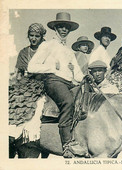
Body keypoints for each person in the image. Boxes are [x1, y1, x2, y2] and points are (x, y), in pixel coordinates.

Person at [27, 12, 87, 158]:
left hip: (69, 83)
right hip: (53, 81)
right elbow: (31, 67)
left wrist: (86, 77)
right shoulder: (47, 45)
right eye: (61, 26)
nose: (64, 30)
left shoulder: (69, 51)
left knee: (87, 102)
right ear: (56, 28)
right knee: (68, 101)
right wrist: (51, 67)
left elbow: (78, 74)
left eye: (66, 27)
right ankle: (67, 144)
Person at [9, 23, 46, 140]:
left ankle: (31, 135)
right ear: (28, 36)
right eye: (31, 35)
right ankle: (12, 135)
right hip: (25, 84)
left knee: (38, 104)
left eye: (37, 36)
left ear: (41, 37)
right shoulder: (23, 52)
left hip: (42, 83)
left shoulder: (45, 51)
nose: (34, 38)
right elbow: (18, 73)